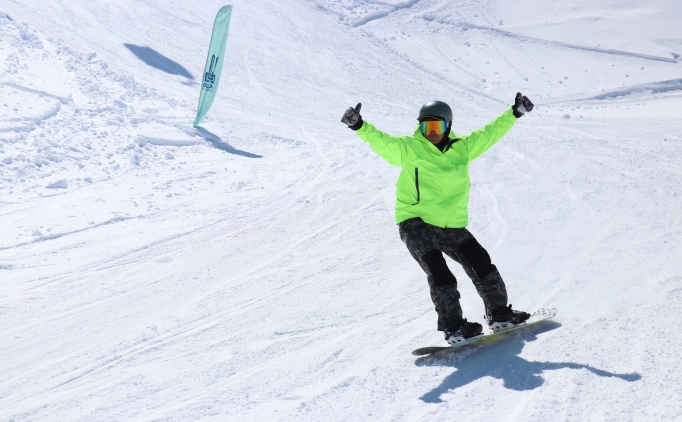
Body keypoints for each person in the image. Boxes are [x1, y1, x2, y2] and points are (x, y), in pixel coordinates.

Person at [341, 93, 535, 345]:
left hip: (451, 224)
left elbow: (490, 133)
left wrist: (515, 113)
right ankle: (454, 327)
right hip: (416, 222)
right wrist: (359, 125)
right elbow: (383, 143)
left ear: (448, 126)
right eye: (426, 127)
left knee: (481, 264)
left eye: (437, 126)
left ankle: (500, 314)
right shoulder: (410, 149)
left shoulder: (462, 148)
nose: (431, 132)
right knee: (439, 272)